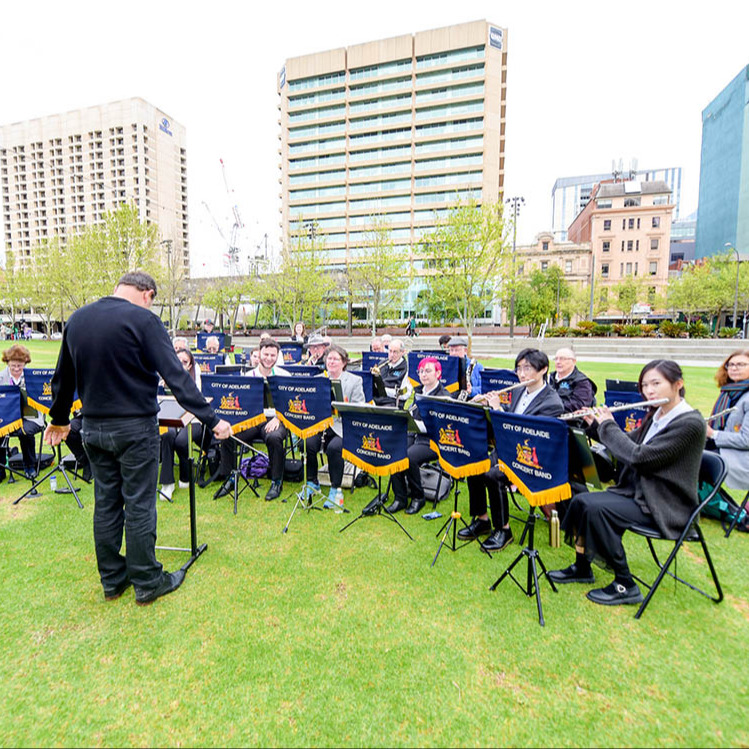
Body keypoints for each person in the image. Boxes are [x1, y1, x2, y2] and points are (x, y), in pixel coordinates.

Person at [45, 272, 232, 606]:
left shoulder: (77, 319)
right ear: (147, 294)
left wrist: (59, 420)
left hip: (93, 427)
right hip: (135, 428)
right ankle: (147, 580)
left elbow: (63, 377)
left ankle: (113, 580)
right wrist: (212, 419)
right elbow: (176, 375)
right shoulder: (145, 320)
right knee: (140, 502)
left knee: (106, 503)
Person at [548, 359, 706, 606]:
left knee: (597, 508)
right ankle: (582, 568)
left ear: (678, 384)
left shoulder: (689, 423)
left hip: (665, 503)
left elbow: (638, 457)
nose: (649, 391)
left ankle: (625, 584)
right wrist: (593, 425)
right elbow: (625, 443)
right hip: (640, 492)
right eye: (644, 385)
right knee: (580, 500)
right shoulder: (658, 415)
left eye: (656, 383)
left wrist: (608, 424)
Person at [459, 348, 563, 552]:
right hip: (508, 450)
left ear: (543, 370)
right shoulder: (518, 390)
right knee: (474, 466)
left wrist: (498, 410)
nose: (522, 374)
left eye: (528, 368)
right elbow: (512, 415)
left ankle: (503, 529)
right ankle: (482, 519)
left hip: (531, 458)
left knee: (493, 475)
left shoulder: (552, 402)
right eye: (519, 369)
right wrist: (488, 405)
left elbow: (527, 431)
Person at [213, 338, 289, 501]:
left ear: (277, 356)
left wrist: (278, 417)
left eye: (273, 355)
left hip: (275, 419)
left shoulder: (284, 375)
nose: (269, 358)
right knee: (228, 434)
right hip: (252, 419)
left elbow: (289, 405)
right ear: (259, 354)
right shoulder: (248, 376)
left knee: (275, 438)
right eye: (266, 354)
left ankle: (276, 481)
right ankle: (230, 478)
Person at [382, 357, 452, 515]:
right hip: (415, 434)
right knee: (394, 450)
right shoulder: (419, 390)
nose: (423, 374)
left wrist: (415, 423)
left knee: (410, 457)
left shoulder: (444, 396)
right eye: (420, 371)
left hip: (433, 440)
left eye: (428, 371)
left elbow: (440, 426)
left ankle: (417, 496)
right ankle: (400, 497)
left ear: (438, 373)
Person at [303, 345, 365, 509]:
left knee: (334, 448)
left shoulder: (354, 381)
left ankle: (335, 488)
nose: (331, 362)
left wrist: (343, 406)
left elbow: (359, 407)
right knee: (309, 443)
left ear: (344, 362)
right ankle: (312, 482)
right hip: (321, 423)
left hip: (342, 425)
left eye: (335, 359)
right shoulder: (318, 378)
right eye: (329, 358)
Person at [159, 348, 210, 500]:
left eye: (185, 362)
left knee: (182, 441)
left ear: (190, 366)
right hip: (170, 417)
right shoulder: (164, 378)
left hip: (192, 419)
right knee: (167, 435)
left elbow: (201, 404)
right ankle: (167, 483)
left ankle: (185, 475)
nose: (181, 364)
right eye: (178, 360)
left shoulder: (196, 380)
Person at [706, 349, 749, 493]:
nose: (734, 368)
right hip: (723, 448)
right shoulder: (729, 392)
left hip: (740, 458)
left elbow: (746, 440)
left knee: (690, 458)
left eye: (741, 364)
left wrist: (713, 434)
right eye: (730, 365)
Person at [0, 344, 46, 479]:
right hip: (7, 417)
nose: (16, 369)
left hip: (30, 418)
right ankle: (1, 469)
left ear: (25, 363)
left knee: (25, 431)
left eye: (19, 366)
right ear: (7, 362)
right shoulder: (1, 377)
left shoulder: (32, 377)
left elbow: (41, 400)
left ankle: (29, 466)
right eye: (13, 365)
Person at [549, 347, 597, 413]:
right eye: (556, 359)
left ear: (574, 361)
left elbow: (578, 405)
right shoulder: (548, 378)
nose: (558, 362)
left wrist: (550, 408)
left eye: (562, 359)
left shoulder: (582, 382)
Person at [373, 338, 408, 407]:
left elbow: (404, 394)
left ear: (402, 352)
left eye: (395, 352)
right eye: (390, 351)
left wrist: (382, 389)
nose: (392, 355)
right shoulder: (382, 363)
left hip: (392, 403)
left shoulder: (406, 368)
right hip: (376, 400)